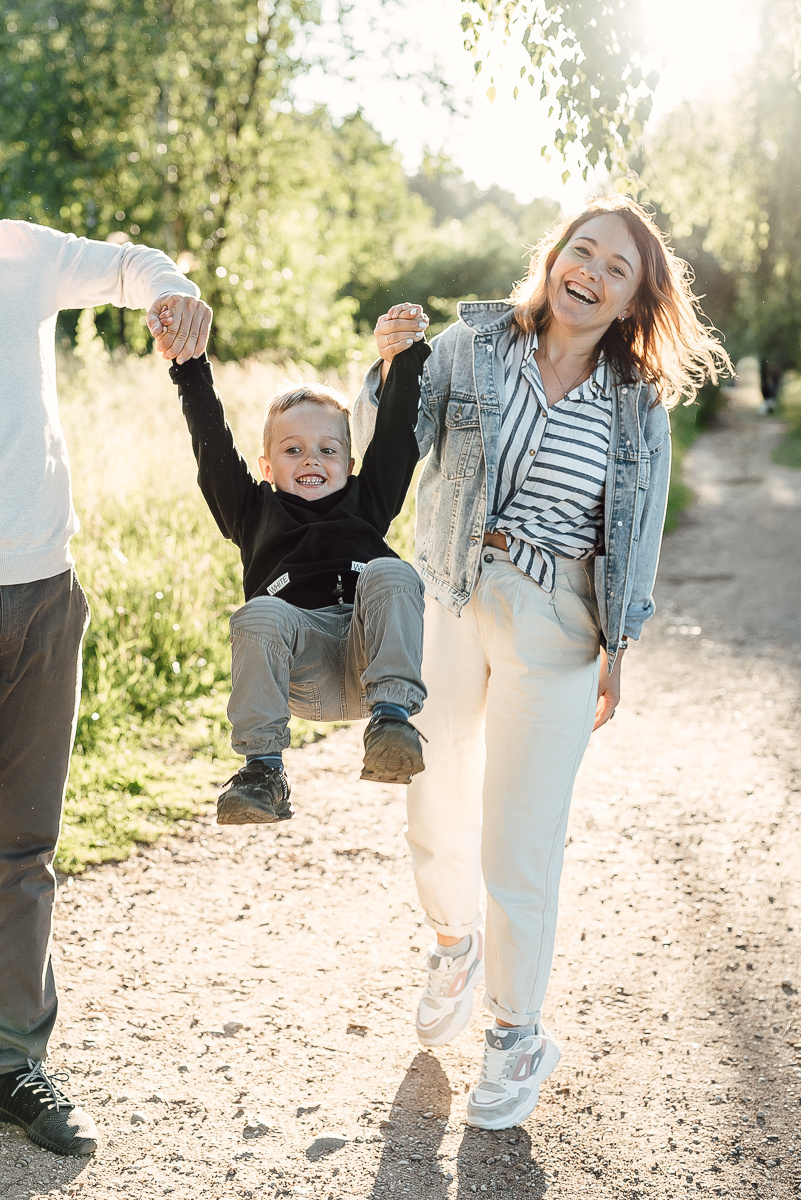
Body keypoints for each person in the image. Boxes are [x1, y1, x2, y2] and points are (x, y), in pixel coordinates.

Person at [354, 195, 731, 1131]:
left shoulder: (636, 401)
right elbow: (395, 437)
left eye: (617, 269)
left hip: (560, 621)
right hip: (451, 590)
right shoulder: (471, 346)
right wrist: (385, 365)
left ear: (633, 300)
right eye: (583, 251)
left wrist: (619, 645)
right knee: (432, 803)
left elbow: (636, 532)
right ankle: (453, 943)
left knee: (520, 838)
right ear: (554, 256)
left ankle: (515, 1033)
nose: (592, 272)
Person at [0, 218, 211, 1157]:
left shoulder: (21, 251)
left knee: (23, 847)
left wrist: (171, 293)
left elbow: (131, 266)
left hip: (43, 592)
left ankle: (11, 1062)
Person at [166, 337, 430, 825]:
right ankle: (262, 773)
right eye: (293, 450)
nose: (312, 460)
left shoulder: (367, 501)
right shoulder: (252, 512)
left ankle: (393, 723)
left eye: (328, 449)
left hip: (368, 659)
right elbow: (212, 445)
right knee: (260, 611)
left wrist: (406, 354)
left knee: (391, 571)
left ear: (350, 467)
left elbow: (396, 437)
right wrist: (189, 367)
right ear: (266, 468)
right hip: (299, 667)